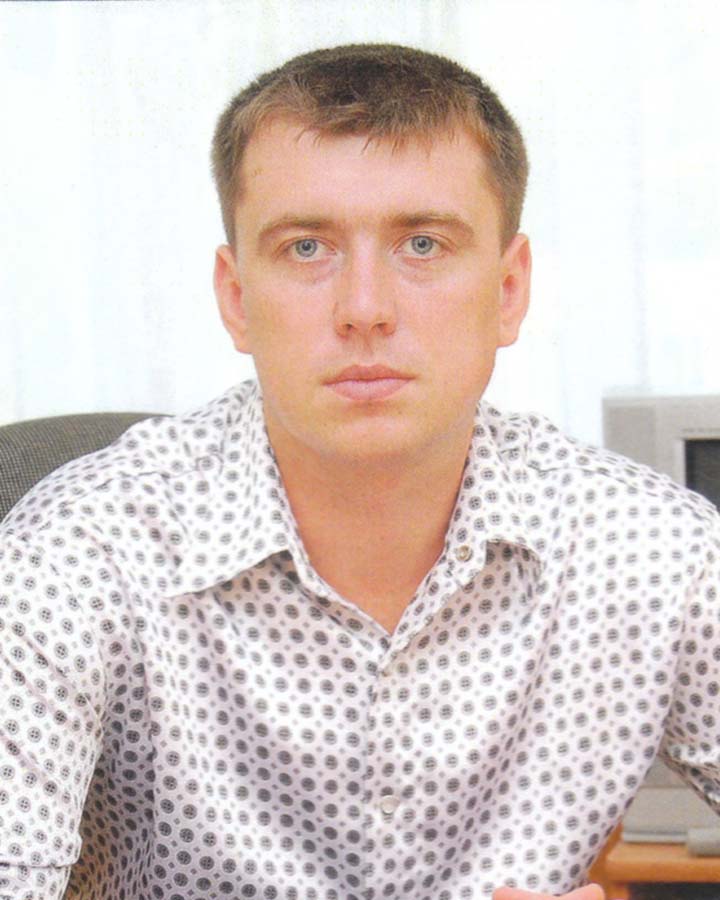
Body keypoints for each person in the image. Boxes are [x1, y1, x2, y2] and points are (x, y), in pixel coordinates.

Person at [0, 43, 718, 900]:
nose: (365, 310)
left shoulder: (658, 552)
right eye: (307, 248)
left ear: (509, 290)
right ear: (236, 297)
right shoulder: (72, 556)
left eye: (423, 243)